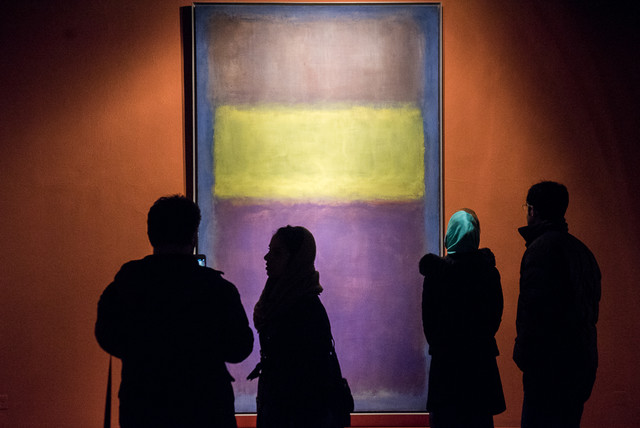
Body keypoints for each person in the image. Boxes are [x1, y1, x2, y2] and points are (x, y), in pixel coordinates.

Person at [95, 195, 254, 428]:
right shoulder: (218, 289)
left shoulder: (127, 283)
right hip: (206, 407)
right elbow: (240, 348)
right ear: (193, 235)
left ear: (151, 234)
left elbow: (107, 336)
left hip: (143, 405)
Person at [514, 181, 601, 428]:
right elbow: (591, 311)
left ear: (533, 210)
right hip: (580, 367)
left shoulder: (539, 251)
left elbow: (533, 313)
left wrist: (523, 356)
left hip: (547, 371)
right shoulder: (583, 252)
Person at [248, 226, 348, 428]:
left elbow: (308, 376)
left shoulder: (305, 308)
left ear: (296, 260)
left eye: (277, 253)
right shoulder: (278, 298)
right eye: (270, 250)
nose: (267, 257)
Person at [419, 209, 506, 428]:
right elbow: (494, 317)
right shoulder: (489, 273)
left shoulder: (436, 274)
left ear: (450, 236)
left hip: (445, 368)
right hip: (480, 367)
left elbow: (429, 323)